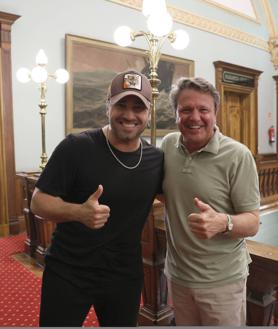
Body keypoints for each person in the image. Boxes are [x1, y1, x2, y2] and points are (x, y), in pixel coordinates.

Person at [30, 70, 164, 327]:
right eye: (121, 105)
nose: (129, 115)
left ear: (148, 113)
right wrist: (79, 212)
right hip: (69, 271)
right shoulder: (77, 147)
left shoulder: (155, 159)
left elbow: (174, 196)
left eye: (138, 107)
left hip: (124, 276)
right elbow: (38, 201)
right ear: (108, 106)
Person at [161, 77, 260, 326]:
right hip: (179, 278)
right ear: (176, 114)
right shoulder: (168, 145)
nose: (195, 117)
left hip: (223, 284)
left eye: (203, 109)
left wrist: (223, 222)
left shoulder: (238, 155)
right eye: (186, 110)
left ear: (215, 112)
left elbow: (252, 222)